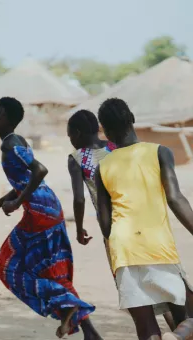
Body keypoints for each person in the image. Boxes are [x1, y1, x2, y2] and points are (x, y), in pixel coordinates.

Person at [0, 97, 102, 339]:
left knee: (7, 266)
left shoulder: (10, 144)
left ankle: (65, 301)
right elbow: (24, 182)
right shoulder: (15, 142)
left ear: (11, 120)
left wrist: (17, 202)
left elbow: (40, 171)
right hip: (46, 208)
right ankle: (90, 332)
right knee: (54, 274)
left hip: (40, 211)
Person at [67, 110, 184, 331]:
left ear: (77, 133)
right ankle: (179, 331)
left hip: (114, 229)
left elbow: (79, 198)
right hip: (147, 224)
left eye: (69, 136)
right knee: (166, 292)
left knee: (139, 296)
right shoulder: (114, 147)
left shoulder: (77, 158)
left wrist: (80, 227)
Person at [95, 98, 193, 340]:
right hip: (155, 245)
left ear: (105, 132)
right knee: (185, 317)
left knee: (146, 326)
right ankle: (178, 336)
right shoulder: (160, 152)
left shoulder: (102, 166)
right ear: (132, 119)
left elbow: (105, 224)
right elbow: (175, 198)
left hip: (123, 249)